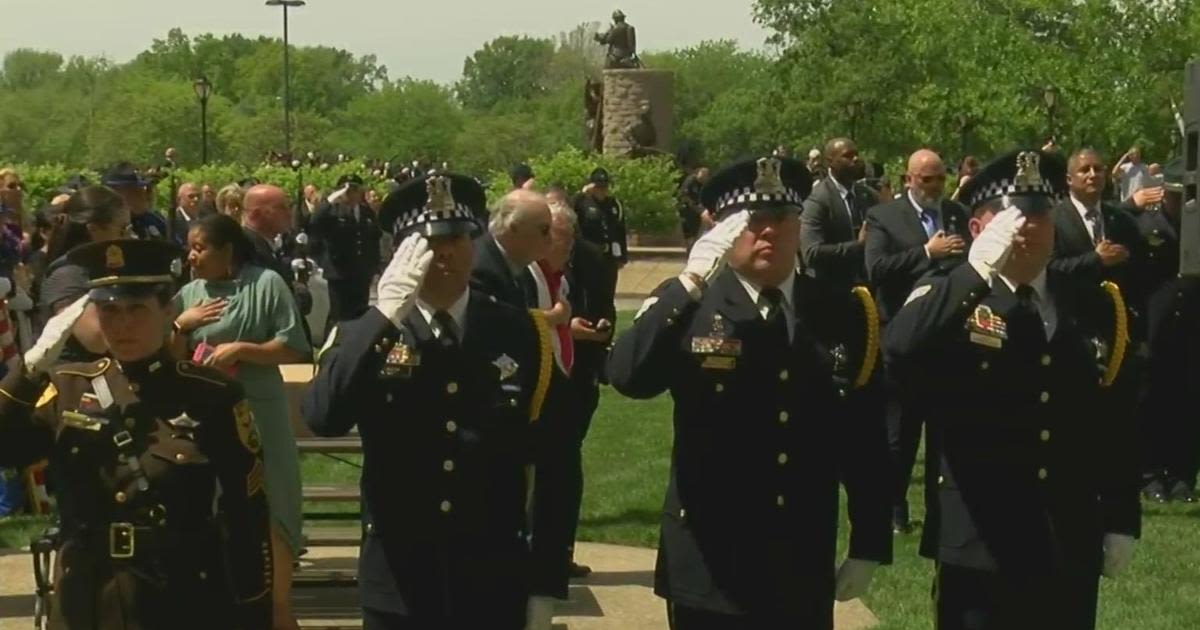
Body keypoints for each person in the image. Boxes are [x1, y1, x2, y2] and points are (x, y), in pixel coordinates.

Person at [608, 156, 891, 629]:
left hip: (800, 555)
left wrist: (870, 541)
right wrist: (690, 281)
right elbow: (627, 376)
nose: (768, 233)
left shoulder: (842, 311)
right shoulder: (688, 306)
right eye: (752, 222)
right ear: (721, 229)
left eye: (782, 219)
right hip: (709, 558)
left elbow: (865, 436)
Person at [884, 149, 1141, 630]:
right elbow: (900, 347)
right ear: (980, 230)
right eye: (1011, 216)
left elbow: (1114, 418)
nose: (1027, 227)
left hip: (1068, 536)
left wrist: (1122, 515)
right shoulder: (949, 297)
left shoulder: (1090, 302)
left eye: (1039, 214)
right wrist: (974, 272)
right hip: (981, 539)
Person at [303, 172, 560, 629]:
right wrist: (384, 314)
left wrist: (544, 580)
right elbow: (324, 416)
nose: (445, 252)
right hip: (399, 581)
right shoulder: (365, 332)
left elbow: (552, 462)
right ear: (401, 255)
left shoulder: (520, 331)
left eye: (457, 238)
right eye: (426, 243)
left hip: (492, 578)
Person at [0, 238, 273, 630]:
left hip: (181, 596)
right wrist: (27, 371)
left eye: (136, 310)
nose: (122, 324)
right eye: (109, 311)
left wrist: (253, 607)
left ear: (167, 310)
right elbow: (6, 451)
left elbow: (246, 512)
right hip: (88, 597)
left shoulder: (210, 394)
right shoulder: (67, 388)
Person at [172, 213, 310, 629]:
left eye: (200, 248)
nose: (191, 256)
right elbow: (168, 358)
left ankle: (280, 607)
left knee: (271, 504)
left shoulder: (266, 284)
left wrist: (242, 350)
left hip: (260, 412)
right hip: (205, 416)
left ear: (227, 250)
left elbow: (294, 346)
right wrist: (183, 325)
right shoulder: (189, 294)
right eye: (189, 247)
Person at [865, 149, 971, 534]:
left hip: (947, 342)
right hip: (903, 340)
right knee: (900, 436)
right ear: (908, 179)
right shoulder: (884, 217)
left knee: (943, 436)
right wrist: (928, 252)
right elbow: (875, 269)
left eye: (941, 178)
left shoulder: (957, 214)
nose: (936, 186)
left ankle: (940, 513)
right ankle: (894, 513)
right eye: (927, 179)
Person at [1135, 158, 1200, 502]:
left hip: (1190, 329)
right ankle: (1150, 473)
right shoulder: (1148, 227)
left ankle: (1182, 474)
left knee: (1187, 403)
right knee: (1151, 403)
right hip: (1154, 327)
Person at [38, 186, 132, 361]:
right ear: (94, 229)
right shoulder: (67, 275)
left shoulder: (101, 268)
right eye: (123, 229)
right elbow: (96, 339)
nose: (129, 237)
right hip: (72, 382)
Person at [800, 137, 879, 290]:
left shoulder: (869, 196)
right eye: (847, 156)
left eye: (856, 154)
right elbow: (811, 253)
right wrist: (858, 246)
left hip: (868, 288)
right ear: (830, 161)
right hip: (830, 291)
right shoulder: (817, 199)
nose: (855, 159)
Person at [310, 174, 382, 325]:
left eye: (355, 190)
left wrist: (374, 266)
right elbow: (315, 222)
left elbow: (374, 238)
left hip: (361, 274)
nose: (351, 194)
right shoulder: (332, 211)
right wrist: (332, 198)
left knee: (360, 315)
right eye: (348, 190)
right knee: (339, 317)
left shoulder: (365, 212)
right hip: (339, 274)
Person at [471, 189, 550, 308]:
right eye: (544, 230)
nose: (550, 238)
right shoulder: (479, 271)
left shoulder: (521, 268)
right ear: (513, 228)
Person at [102, 162, 166, 241]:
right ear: (116, 194)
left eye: (146, 189)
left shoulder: (153, 221)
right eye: (135, 191)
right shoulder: (104, 228)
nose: (145, 195)